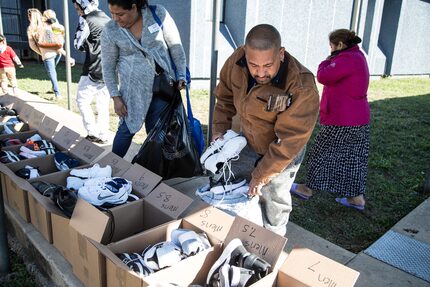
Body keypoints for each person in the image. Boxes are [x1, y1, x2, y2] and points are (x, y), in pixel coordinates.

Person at [212, 24, 319, 236]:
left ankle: (271, 239)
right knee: (235, 182)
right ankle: (237, 231)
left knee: (274, 198)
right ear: (245, 53)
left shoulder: (301, 86)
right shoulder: (235, 62)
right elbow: (224, 98)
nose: (260, 73)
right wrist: (219, 130)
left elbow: (289, 140)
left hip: (284, 149)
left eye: (268, 65)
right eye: (253, 65)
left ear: (281, 53)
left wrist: (261, 174)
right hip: (249, 139)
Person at [291, 29, 370, 211]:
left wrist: (327, 59)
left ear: (340, 45)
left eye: (332, 46)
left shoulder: (347, 59)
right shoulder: (357, 56)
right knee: (353, 158)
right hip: (357, 118)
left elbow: (323, 76)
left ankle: (306, 189)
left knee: (321, 153)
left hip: (343, 119)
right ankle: (356, 198)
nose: (331, 49)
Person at [101, 0, 186, 157]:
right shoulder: (110, 30)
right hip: (132, 92)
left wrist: (181, 74)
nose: (115, 18)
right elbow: (107, 67)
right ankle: (112, 166)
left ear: (134, 7)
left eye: (120, 14)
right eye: (112, 13)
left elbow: (175, 46)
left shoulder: (158, 14)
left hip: (162, 87)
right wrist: (115, 97)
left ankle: (153, 172)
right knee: (126, 129)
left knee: (156, 132)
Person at [72, 0, 111, 144]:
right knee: (103, 103)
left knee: (82, 100)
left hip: (92, 67)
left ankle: (92, 132)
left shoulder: (86, 20)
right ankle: (103, 134)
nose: (78, 11)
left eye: (77, 8)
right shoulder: (108, 19)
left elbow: (77, 44)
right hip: (110, 68)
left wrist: (86, 47)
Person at [27, 8, 73, 99]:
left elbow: (33, 46)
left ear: (30, 17)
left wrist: (42, 52)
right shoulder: (48, 25)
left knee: (52, 73)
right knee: (53, 72)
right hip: (57, 52)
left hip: (47, 55)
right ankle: (54, 88)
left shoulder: (32, 29)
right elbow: (58, 40)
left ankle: (57, 94)